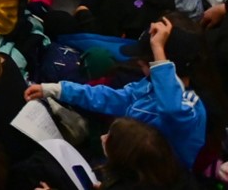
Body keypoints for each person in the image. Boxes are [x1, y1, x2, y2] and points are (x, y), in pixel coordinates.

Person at [25, 16, 205, 168]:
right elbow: (112, 97)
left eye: (147, 61)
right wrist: (57, 89)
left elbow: (171, 110)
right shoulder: (149, 84)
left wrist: (158, 51)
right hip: (121, 162)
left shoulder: (190, 107)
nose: (139, 63)